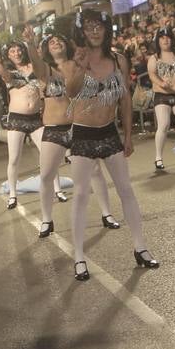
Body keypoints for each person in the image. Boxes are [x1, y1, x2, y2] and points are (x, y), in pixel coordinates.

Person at [64, 10, 157, 281]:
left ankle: (141, 247)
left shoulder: (118, 59)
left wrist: (127, 134)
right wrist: (80, 68)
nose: (95, 32)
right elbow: (70, 93)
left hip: (109, 133)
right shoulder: (76, 59)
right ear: (82, 31)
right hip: (82, 133)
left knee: (126, 190)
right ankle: (79, 258)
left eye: (99, 27)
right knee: (81, 196)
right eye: (90, 27)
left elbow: (125, 100)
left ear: (106, 30)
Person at [35, 33, 119, 239]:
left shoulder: (79, 65)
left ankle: (107, 214)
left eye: (59, 40)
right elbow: (33, 60)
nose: (56, 42)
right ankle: (47, 219)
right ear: (46, 48)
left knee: (95, 171)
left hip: (79, 126)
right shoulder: (46, 70)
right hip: (54, 129)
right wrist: (29, 43)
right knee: (46, 175)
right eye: (51, 41)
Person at [0, 42, 46, 210]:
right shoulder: (9, 73)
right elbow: (0, 70)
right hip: (17, 120)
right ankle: (13, 194)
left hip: (36, 119)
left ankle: (58, 190)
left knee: (47, 155)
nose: (16, 53)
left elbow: (44, 71)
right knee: (14, 158)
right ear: (8, 55)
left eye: (18, 50)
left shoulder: (35, 67)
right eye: (12, 51)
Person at [146, 29, 175, 173]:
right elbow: (151, 74)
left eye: (168, 37)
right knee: (164, 125)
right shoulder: (154, 57)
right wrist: (161, 83)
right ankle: (158, 157)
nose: (165, 40)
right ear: (158, 41)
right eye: (162, 38)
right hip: (162, 96)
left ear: (172, 39)